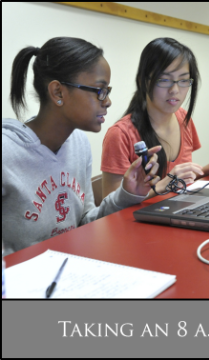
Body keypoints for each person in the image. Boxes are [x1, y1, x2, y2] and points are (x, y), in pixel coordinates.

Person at [2, 37, 161, 255]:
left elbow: (84, 223)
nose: (107, 101)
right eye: (99, 90)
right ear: (58, 92)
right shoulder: (7, 151)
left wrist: (127, 194)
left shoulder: (79, 144)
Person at [101, 37, 209, 198]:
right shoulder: (120, 135)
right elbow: (110, 209)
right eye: (164, 80)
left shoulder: (182, 117)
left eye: (183, 80)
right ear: (143, 81)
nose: (175, 89)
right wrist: (162, 185)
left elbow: (184, 181)